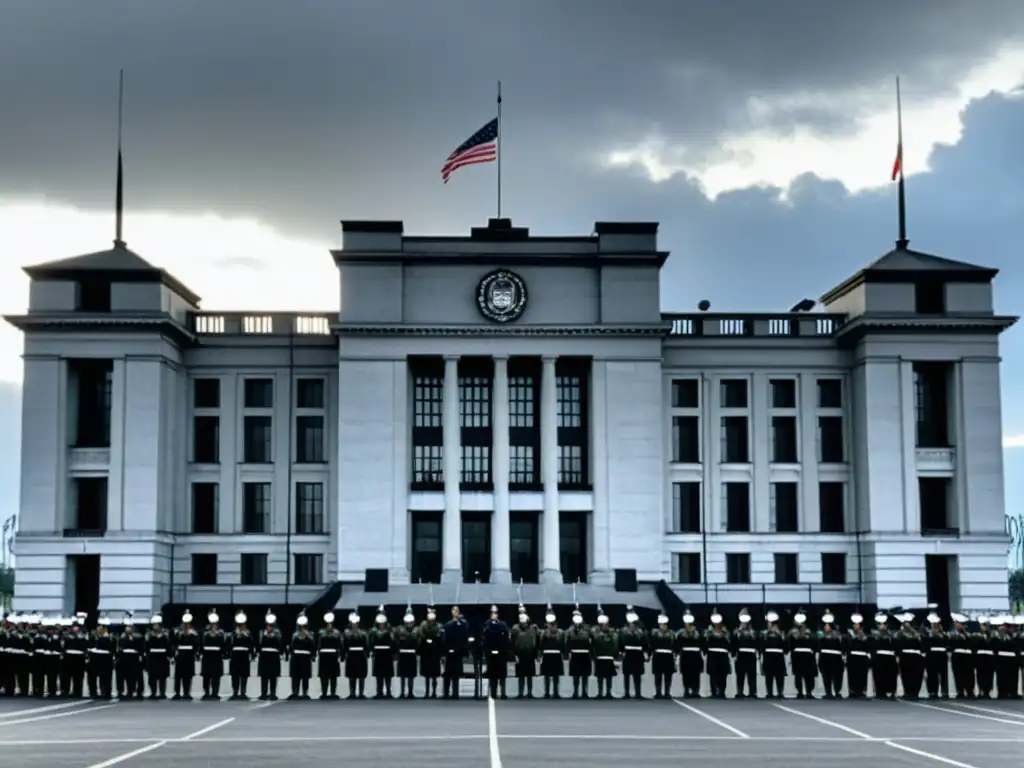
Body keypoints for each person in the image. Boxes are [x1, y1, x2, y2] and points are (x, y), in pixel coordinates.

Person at [442, 606, 471, 700]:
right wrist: (444, 652)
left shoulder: (463, 625)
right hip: (448, 652)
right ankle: (446, 693)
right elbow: (444, 639)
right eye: (454, 611)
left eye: (457, 611)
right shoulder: (447, 625)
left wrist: (464, 651)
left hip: (458, 652)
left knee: (456, 674)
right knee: (447, 674)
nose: (456, 612)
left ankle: (455, 693)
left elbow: (464, 639)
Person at [482, 605, 511, 700]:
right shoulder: (487, 624)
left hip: (501, 652)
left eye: (496, 613)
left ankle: (503, 693)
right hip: (490, 652)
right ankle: (493, 693)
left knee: (502, 675)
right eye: (492, 613)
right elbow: (485, 638)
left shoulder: (503, 625)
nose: (494, 615)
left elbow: (506, 638)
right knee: (492, 675)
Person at [895, 611, 924, 699]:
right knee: (906, 674)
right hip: (905, 655)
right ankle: (907, 691)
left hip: (916, 655)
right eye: (905, 622)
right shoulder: (900, 633)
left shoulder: (917, 632)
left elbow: (921, 643)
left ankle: (915, 692)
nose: (907, 624)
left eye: (908, 622)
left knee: (916, 675)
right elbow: (898, 644)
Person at [787, 610, 817, 699]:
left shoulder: (810, 631)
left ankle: (809, 692)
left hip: (808, 657)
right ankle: (799, 692)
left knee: (809, 675)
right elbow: (789, 641)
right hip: (797, 656)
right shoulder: (792, 631)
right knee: (798, 676)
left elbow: (814, 641)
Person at [816, 610, 845, 700]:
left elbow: (842, 642)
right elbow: (818, 641)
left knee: (837, 675)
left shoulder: (837, 633)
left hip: (836, 657)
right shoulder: (821, 632)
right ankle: (828, 692)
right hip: (825, 656)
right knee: (826, 675)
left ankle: (837, 692)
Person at [619, 609, 648, 699]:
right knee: (626, 674)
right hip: (627, 654)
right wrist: (621, 652)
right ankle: (626, 693)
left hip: (638, 654)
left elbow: (645, 643)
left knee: (637, 674)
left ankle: (638, 693)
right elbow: (620, 642)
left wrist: (646, 653)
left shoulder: (641, 631)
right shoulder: (623, 631)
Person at [539, 608, 566, 699]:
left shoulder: (560, 632)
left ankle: (556, 692)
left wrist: (564, 654)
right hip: (547, 655)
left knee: (556, 676)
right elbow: (541, 643)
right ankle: (546, 692)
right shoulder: (544, 632)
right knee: (546, 676)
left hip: (556, 654)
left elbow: (562, 642)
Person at [257, 611, 284, 701]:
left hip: (274, 655)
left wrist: (273, 633)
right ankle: (263, 693)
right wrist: (266, 633)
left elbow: (280, 642)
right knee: (264, 676)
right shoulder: (262, 632)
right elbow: (260, 642)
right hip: (264, 655)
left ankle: (273, 693)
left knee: (273, 676)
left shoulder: (278, 632)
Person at [677, 611, 704, 699]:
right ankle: (686, 689)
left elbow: (702, 643)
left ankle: (695, 690)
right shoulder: (681, 633)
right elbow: (678, 644)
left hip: (695, 655)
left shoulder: (698, 632)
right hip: (685, 655)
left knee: (696, 674)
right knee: (686, 673)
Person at [172, 610, 199, 700]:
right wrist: (173, 655)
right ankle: (177, 693)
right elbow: (174, 643)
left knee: (188, 675)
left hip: (189, 655)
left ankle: (187, 692)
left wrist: (196, 653)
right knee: (178, 676)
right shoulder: (177, 631)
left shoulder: (193, 631)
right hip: (179, 655)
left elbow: (196, 644)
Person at [369, 608, 396, 699]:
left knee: (388, 675)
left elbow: (393, 641)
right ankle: (379, 692)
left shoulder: (389, 629)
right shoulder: (373, 630)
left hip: (387, 655)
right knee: (378, 675)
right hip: (378, 655)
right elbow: (371, 642)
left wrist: (394, 653)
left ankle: (388, 692)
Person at [566, 609, 593, 699]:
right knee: (575, 675)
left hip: (585, 653)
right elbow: (567, 639)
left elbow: (593, 638)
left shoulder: (587, 628)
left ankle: (584, 692)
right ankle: (575, 692)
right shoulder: (571, 629)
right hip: (575, 654)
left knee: (585, 675)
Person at [200, 611, 227, 700]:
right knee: (206, 676)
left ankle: (215, 693)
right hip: (207, 656)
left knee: (216, 676)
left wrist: (224, 653)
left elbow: (223, 643)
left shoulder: (221, 632)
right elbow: (201, 643)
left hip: (217, 656)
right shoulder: (205, 631)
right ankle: (206, 692)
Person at [731, 609, 758, 699]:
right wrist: (733, 654)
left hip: (751, 655)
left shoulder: (753, 631)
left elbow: (756, 641)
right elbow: (733, 642)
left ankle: (752, 692)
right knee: (740, 675)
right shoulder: (737, 631)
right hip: (740, 655)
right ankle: (740, 691)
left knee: (752, 675)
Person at [116, 616, 144, 699]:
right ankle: (120, 691)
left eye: (129, 627)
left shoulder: (137, 637)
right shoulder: (122, 637)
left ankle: (131, 691)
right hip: (123, 658)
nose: (128, 629)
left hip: (133, 659)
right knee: (121, 676)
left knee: (132, 676)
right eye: (127, 627)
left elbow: (140, 648)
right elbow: (119, 648)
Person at [870, 613, 897, 699]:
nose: (882, 626)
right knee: (878, 675)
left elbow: (895, 645)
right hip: (878, 657)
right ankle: (879, 692)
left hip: (890, 657)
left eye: (884, 624)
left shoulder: (891, 635)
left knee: (890, 675)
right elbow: (872, 646)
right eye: (880, 624)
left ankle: (890, 691)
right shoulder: (874, 634)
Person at [947, 612, 975, 699]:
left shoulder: (968, 634)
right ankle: (960, 691)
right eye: (958, 624)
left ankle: (970, 690)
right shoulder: (953, 635)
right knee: (958, 674)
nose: (960, 626)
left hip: (967, 656)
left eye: (962, 624)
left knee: (969, 674)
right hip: (958, 656)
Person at [228, 612, 255, 700]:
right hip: (235, 655)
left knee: (244, 675)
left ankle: (243, 692)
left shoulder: (248, 633)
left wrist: (252, 654)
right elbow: (229, 643)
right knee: (234, 675)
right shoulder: (233, 633)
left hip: (244, 655)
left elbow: (251, 644)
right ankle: (235, 692)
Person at [289, 614, 316, 700]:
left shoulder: (310, 634)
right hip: (296, 657)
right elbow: (291, 645)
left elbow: (313, 645)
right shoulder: (295, 634)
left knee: (305, 676)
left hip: (306, 658)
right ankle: (295, 692)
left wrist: (313, 655)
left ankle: (305, 692)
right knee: (295, 676)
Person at [704, 612, 731, 699]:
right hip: (712, 654)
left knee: (723, 674)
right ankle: (714, 692)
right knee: (712, 674)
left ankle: (722, 691)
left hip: (723, 655)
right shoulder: (708, 632)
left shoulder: (726, 632)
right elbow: (705, 642)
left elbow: (730, 643)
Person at [923, 610, 950, 699]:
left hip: (942, 655)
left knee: (943, 674)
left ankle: (944, 691)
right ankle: (932, 691)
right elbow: (925, 644)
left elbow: (947, 643)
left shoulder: (944, 634)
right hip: (931, 655)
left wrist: (940, 633)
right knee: (931, 674)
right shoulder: (927, 633)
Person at [144, 615, 171, 699]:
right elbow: (146, 646)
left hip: (163, 658)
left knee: (163, 677)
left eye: (157, 625)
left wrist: (170, 656)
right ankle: (153, 692)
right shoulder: (149, 635)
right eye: (154, 625)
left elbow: (169, 646)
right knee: (152, 677)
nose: (155, 627)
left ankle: (162, 692)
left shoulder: (166, 634)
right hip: (152, 657)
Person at [592, 610, 617, 700]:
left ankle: (608, 692)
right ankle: (600, 692)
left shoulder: (612, 633)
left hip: (609, 658)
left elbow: (615, 642)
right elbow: (595, 640)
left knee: (609, 677)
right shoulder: (596, 632)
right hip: (600, 657)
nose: (604, 626)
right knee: (600, 677)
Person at [761, 610, 786, 699]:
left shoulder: (781, 633)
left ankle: (780, 692)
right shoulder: (764, 634)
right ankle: (769, 692)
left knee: (780, 676)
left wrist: (778, 633)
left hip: (779, 657)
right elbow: (762, 645)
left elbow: (785, 646)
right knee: (769, 676)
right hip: (768, 657)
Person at [418, 607, 443, 699]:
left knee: (434, 675)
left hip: (435, 653)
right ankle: (427, 692)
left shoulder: (439, 625)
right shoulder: (423, 625)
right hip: (426, 652)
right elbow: (421, 635)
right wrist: (428, 640)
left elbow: (439, 636)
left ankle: (434, 692)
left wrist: (432, 641)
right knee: (427, 675)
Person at [318, 612, 343, 700]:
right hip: (324, 656)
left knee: (333, 676)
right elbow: (318, 644)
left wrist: (341, 654)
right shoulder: (321, 632)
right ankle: (324, 692)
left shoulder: (337, 633)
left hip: (333, 656)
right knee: (324, 676)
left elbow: (340, 644)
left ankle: (333, 692)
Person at [344, 612, 369, 700]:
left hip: (361, 656)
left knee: (361, 675)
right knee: (351, 676)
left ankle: (361, 693)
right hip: (351, 656)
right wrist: (344, 655)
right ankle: (352, 693)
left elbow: (366, 645)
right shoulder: (347, 634)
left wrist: (367, 654)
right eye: (352, 623)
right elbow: (345, 646)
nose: (354, 625)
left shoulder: (363, 634)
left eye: (355, 624)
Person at [649, 613, 675, 699]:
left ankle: (667, 692)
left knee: (668, 675)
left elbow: (674, 644)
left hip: (668, 656)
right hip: (658, 656)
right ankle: (658, 692)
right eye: (661, 624)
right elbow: (652, 644)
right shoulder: (655, 633)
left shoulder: (671, 633)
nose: (663, 626)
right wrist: (649, 654)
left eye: (664, 624)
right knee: (658, 675)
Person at [62, 615, 89, 698]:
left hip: (79, 658)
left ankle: (77, 691)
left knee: (78, 676)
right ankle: (65, 691)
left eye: (77, 627)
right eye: (74, 627)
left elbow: (85, 647)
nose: (75, 629)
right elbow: (63, 646)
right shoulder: (66, 637)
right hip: (68, 657)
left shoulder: (83, 637)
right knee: (66, 676)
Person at [395, 609, 419, 699]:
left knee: (411, 675)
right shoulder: (399, 629)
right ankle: (402, 692)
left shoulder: (416, 630)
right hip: (402, 655)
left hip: (411, 654)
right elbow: (396, 641)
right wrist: (397, 652)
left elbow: (418, 641)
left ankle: (410, 692)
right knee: (402, 675)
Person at [89, 615, 115, 700]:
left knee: (106, 677)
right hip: (95, 658)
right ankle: (93, 692)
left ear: (105, 628)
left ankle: (106, 692)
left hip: (105, 659)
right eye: (98, 626)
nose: (98, 628)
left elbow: (112, 649)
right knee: (92, 676)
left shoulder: (110, 638)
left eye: (100, 627)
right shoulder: (93, 637)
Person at [845, 613, 870, 699]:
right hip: (852, 657)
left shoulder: (864, 634)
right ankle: (852, 691)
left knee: (862, 675)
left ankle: (862, 691)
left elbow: (867, 644)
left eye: (858, 624)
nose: (856, 626)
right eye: (855, 624)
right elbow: (847, 645)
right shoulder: (849, 634)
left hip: (862, 657)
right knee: (852, 675)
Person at [972, 616, 995, 698]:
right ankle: (981, 690)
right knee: (980, 675)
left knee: (989, 675)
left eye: (985, 625)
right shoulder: (976, 636)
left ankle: (987, 691)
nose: (984, 627)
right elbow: (974, 648)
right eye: (982, 625)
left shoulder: (992, 635)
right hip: (980, 658)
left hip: (989, 658)